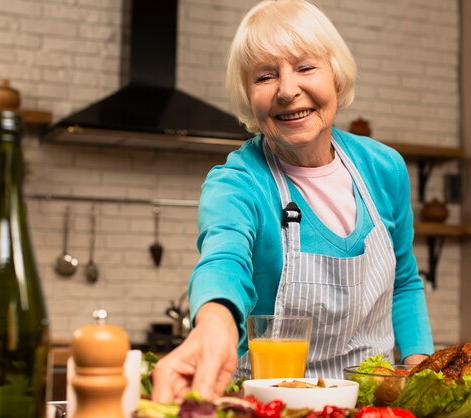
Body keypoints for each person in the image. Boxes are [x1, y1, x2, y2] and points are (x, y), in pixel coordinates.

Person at [152, 0, 433, 403]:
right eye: (265, 77)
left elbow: (404, 282)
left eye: (305, 68)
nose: (287, 90)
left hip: (374, 406)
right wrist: (214, 324)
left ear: (335, 76)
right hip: (270, 407)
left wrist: (417, 372)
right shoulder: (238, 183)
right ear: (248, 97)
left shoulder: (383, 168)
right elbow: (222, 260)